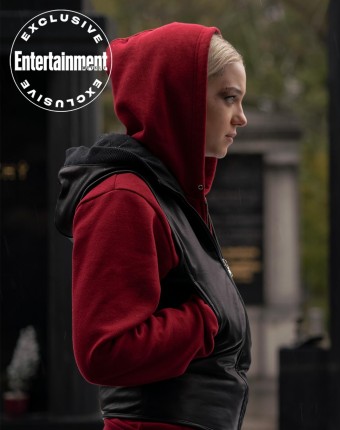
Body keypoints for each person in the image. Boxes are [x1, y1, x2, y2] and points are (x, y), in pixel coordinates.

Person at [54, 22, 250, 430]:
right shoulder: (121, 197)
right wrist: (205, 319)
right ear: (181, 97)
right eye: (228, 97)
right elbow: (103, 350)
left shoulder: (171, 198)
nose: (241, 118)